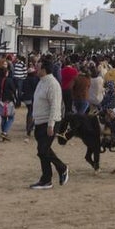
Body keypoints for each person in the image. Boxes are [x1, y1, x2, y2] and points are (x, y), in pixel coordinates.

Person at [30, 57, 67, 189]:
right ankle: (46, 179)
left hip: (50, 121)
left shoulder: (52, 84)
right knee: (43, 151)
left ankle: (60, 168)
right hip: (40, 121)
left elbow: (55, 106)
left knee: (42, 150)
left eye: (38, 67)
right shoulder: (41, 82)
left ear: (44, 69)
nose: (36, 69)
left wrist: (51, 124)